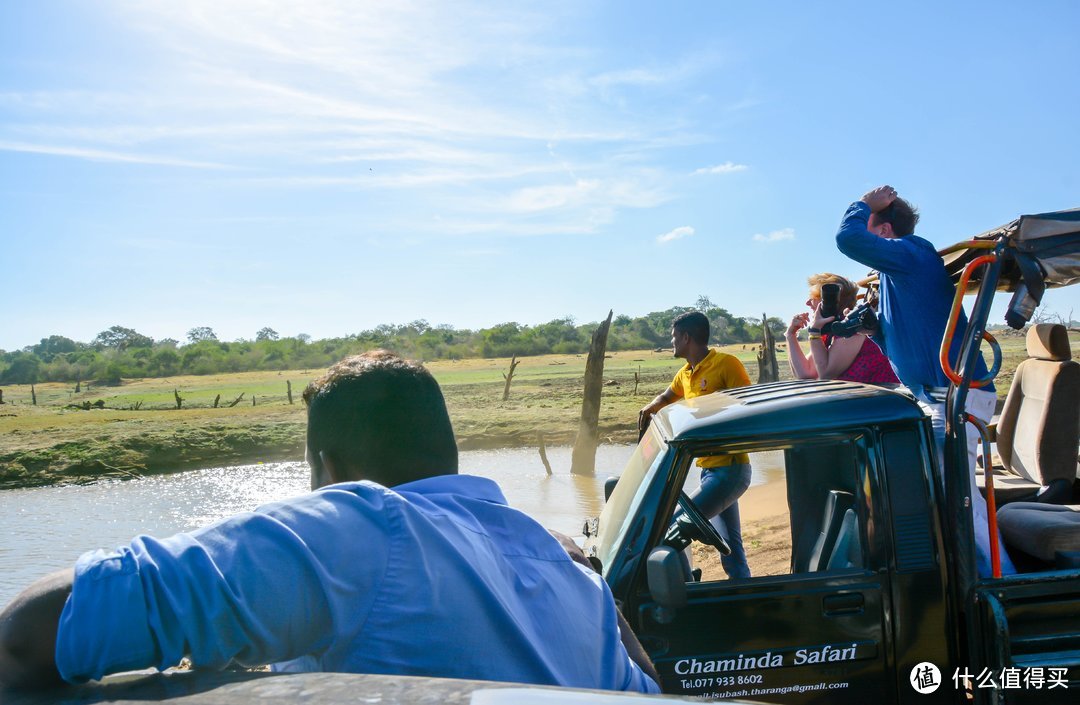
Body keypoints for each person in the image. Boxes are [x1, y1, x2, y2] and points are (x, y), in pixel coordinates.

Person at [0, 352, 661, 694]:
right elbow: (655, 690)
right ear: (448, 451)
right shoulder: (567, 574)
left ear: (327, 466)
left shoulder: (360, 524)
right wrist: (586, 573)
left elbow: (32, 633)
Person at [835, 185, 1014, 577]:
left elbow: (847, 238)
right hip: (934, 396)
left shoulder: (912, 253)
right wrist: (875, 332)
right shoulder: (894, 276)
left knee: (955, 501)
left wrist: (865, 204)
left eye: (870, 228)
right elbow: (908, 343)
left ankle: (1001, 586)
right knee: (937, 495)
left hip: (954, 398)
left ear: (882, 233)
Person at [638, 311, 753, 579]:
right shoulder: (685, 374)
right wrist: (649, 408)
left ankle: (683, 588)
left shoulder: (726, 364)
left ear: (686, 337)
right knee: (731, 549)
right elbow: (667, 396)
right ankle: (743, 591)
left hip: (730, 471)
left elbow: (747, 405)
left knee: (669, 530)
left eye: (674, 337)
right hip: (708, 471)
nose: (672, 342)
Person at [786, 273, 899, 384]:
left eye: (812, 298)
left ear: (827, 300)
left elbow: (826, 374)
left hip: (879, 398)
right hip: (858, 398)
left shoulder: (853, 326)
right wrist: (790, 335)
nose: (807, 303)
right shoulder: (829, 328)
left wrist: (814, 331)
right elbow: (806, 374)